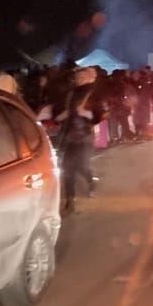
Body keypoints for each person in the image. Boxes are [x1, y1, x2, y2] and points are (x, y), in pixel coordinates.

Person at [57, 66, 102, 212]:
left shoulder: (93, 94)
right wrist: (62, 116)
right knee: (68, 168)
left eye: (82, 77)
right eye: (77, 77)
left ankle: (91, 181)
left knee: (82, 166)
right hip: (70, 136)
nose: (79, 80)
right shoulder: (71, 93)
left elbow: (99, 114)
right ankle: (70, 200)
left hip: (85, 136)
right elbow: (68, 111)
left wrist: (87, 114)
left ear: (88, 78)